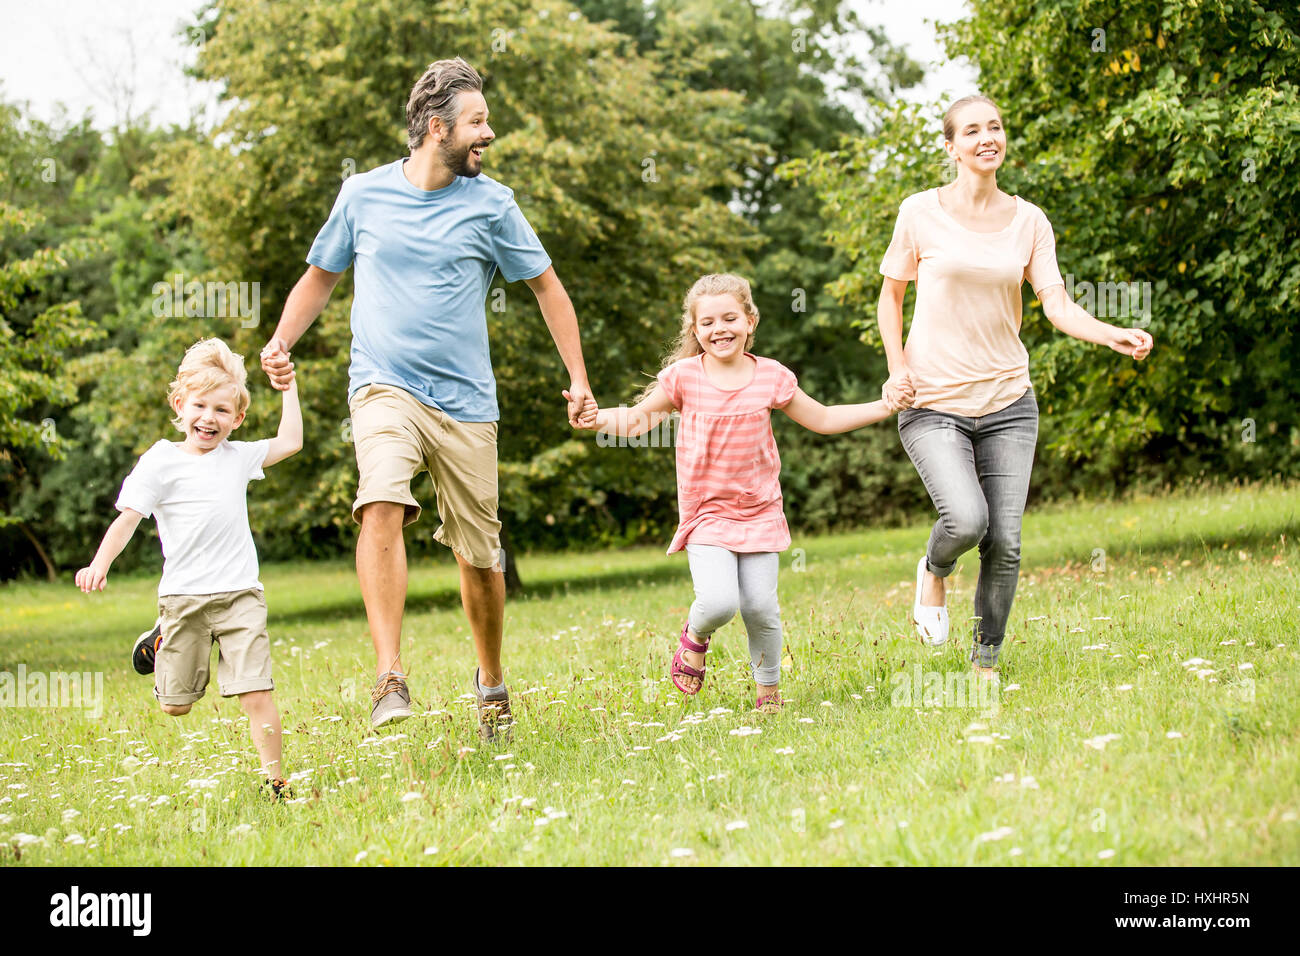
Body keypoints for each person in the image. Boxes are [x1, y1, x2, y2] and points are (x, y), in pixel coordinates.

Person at [260, 57, 597, 736]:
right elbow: (321, 277)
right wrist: (280, 340)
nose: (489, 134)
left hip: (467, 402)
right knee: (379, 499)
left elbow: (548, 289)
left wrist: (581, 377)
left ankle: (491, 681)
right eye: (477, 122)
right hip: (384, 385)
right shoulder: (362, 195)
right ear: (436, 127)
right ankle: (389, 675)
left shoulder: (493, 204)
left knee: (481, 558)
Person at [877, 94, 1154, 677]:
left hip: (1008, 401)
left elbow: (1055, 304)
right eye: (972, 130)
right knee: (966, 521)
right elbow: (891, 296)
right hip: (932, 403)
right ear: (949, 145)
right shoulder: (919, 212)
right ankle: (933, 569)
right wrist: (897, 366)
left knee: (1004, 540)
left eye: (995, 127)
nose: (987, 137)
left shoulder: (1030, 220)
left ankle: (986, 664)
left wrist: (1109, 334)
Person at [578, 274, 907, 712]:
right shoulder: (683, 378)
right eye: (709, 322)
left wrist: (885, 406)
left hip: (760, 510)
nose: (720, 329)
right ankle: (694, 637)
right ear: (695, 331)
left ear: (750, 321)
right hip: (707, 513)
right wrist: (597, 419)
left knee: (761, 609)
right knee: (718, 602)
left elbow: (824, 418)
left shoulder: (771, 376)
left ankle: (768, 695)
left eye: (730, 318)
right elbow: (638, 422)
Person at [75, 338, 302, 798]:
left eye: (222, 410)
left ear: (237, 419)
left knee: (256, 693)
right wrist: (100, 562)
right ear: (180, 405)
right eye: (200, 405)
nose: (209, 418)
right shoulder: (160, 461)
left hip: (241, 596)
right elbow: (129, 520)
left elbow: (292, 441)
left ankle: (277, 782)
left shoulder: (239, 458)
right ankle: (159, 639)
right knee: (176, 707)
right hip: (183, 600)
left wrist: (288, 386)